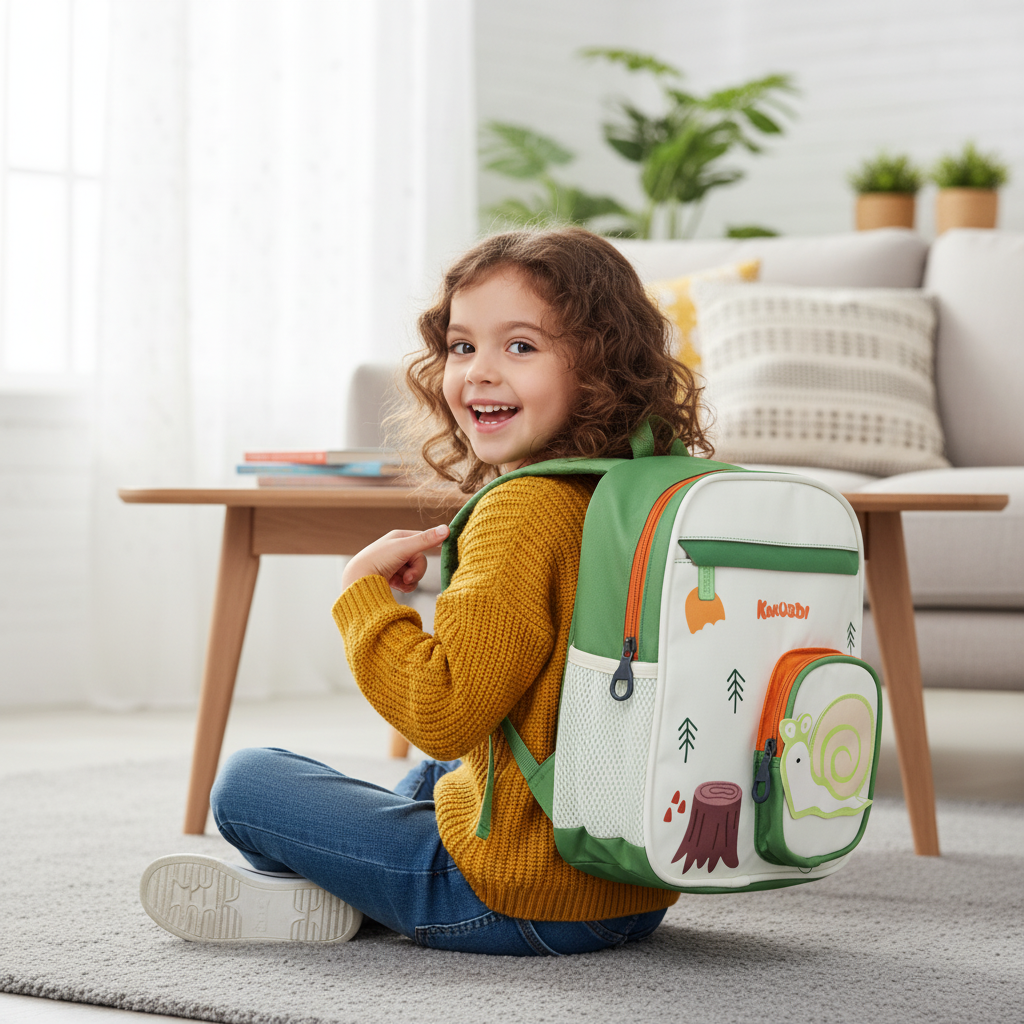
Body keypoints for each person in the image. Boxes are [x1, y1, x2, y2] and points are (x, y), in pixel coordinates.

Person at [139, 227, 711, 955]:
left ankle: (347, 889)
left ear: (599, 367)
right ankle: (340, 887)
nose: (479, 372)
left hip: (508, 898)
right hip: (630, 888)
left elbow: (443, 712)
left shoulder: (522, 510)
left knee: (248, 782)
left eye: (521, 346)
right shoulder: (648, 492)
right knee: (444, 776)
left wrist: (364, 598)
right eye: (462, 346)